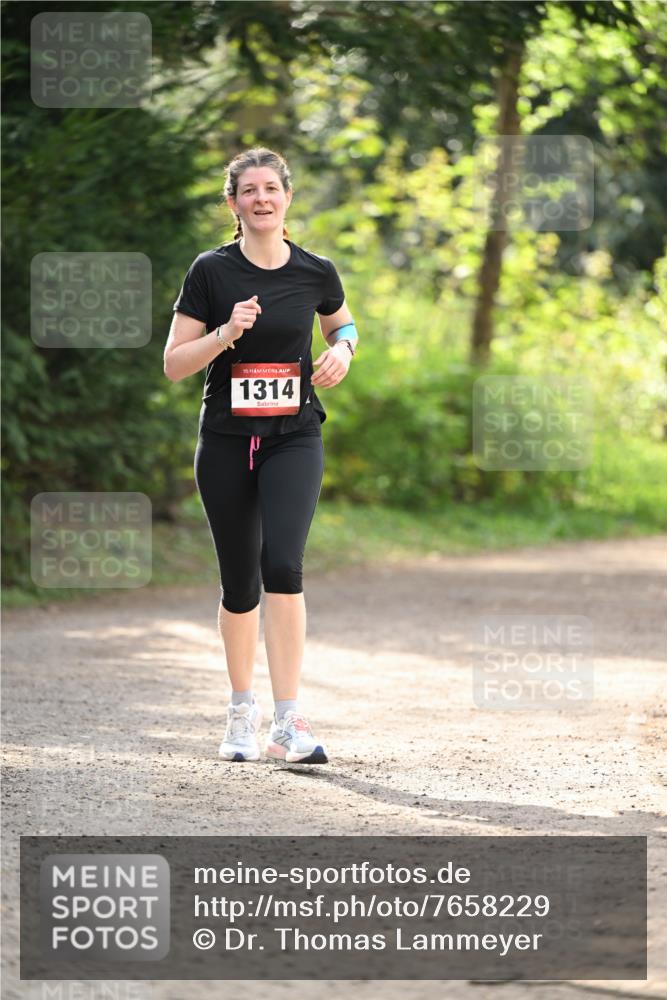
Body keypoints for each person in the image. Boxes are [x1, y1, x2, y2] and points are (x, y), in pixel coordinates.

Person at [164, 147, 359, 765]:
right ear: (233, 204)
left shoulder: (316, 271)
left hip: (294, 436)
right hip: (224, 441)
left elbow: (343, 326)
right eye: (247, 190)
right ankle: (241, 710)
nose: (261, 199)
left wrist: (345, 353)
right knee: (240, 581)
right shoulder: (210, 272)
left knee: (284, 564)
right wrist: (226, 333)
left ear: (287, 197)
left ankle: (288, 719)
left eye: (270, 188)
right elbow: (173, 364)